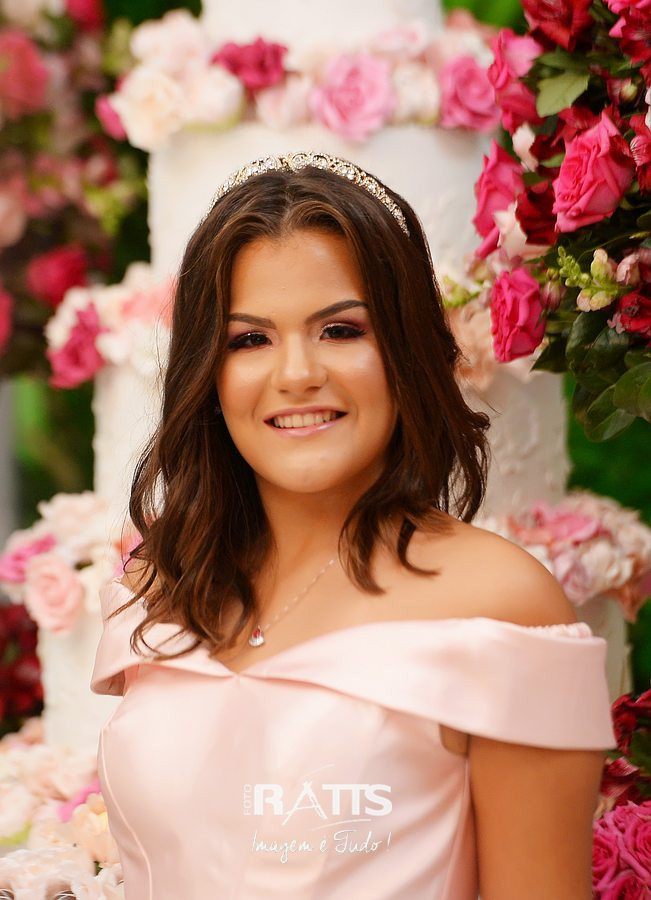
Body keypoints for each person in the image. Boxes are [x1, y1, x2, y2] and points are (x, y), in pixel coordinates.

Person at [90, 152, 616, 899]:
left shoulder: (502, 608)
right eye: (249, 340)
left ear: (404, 349)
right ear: (207, 373)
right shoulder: (160, 590)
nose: (297, 374)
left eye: (339, 330)